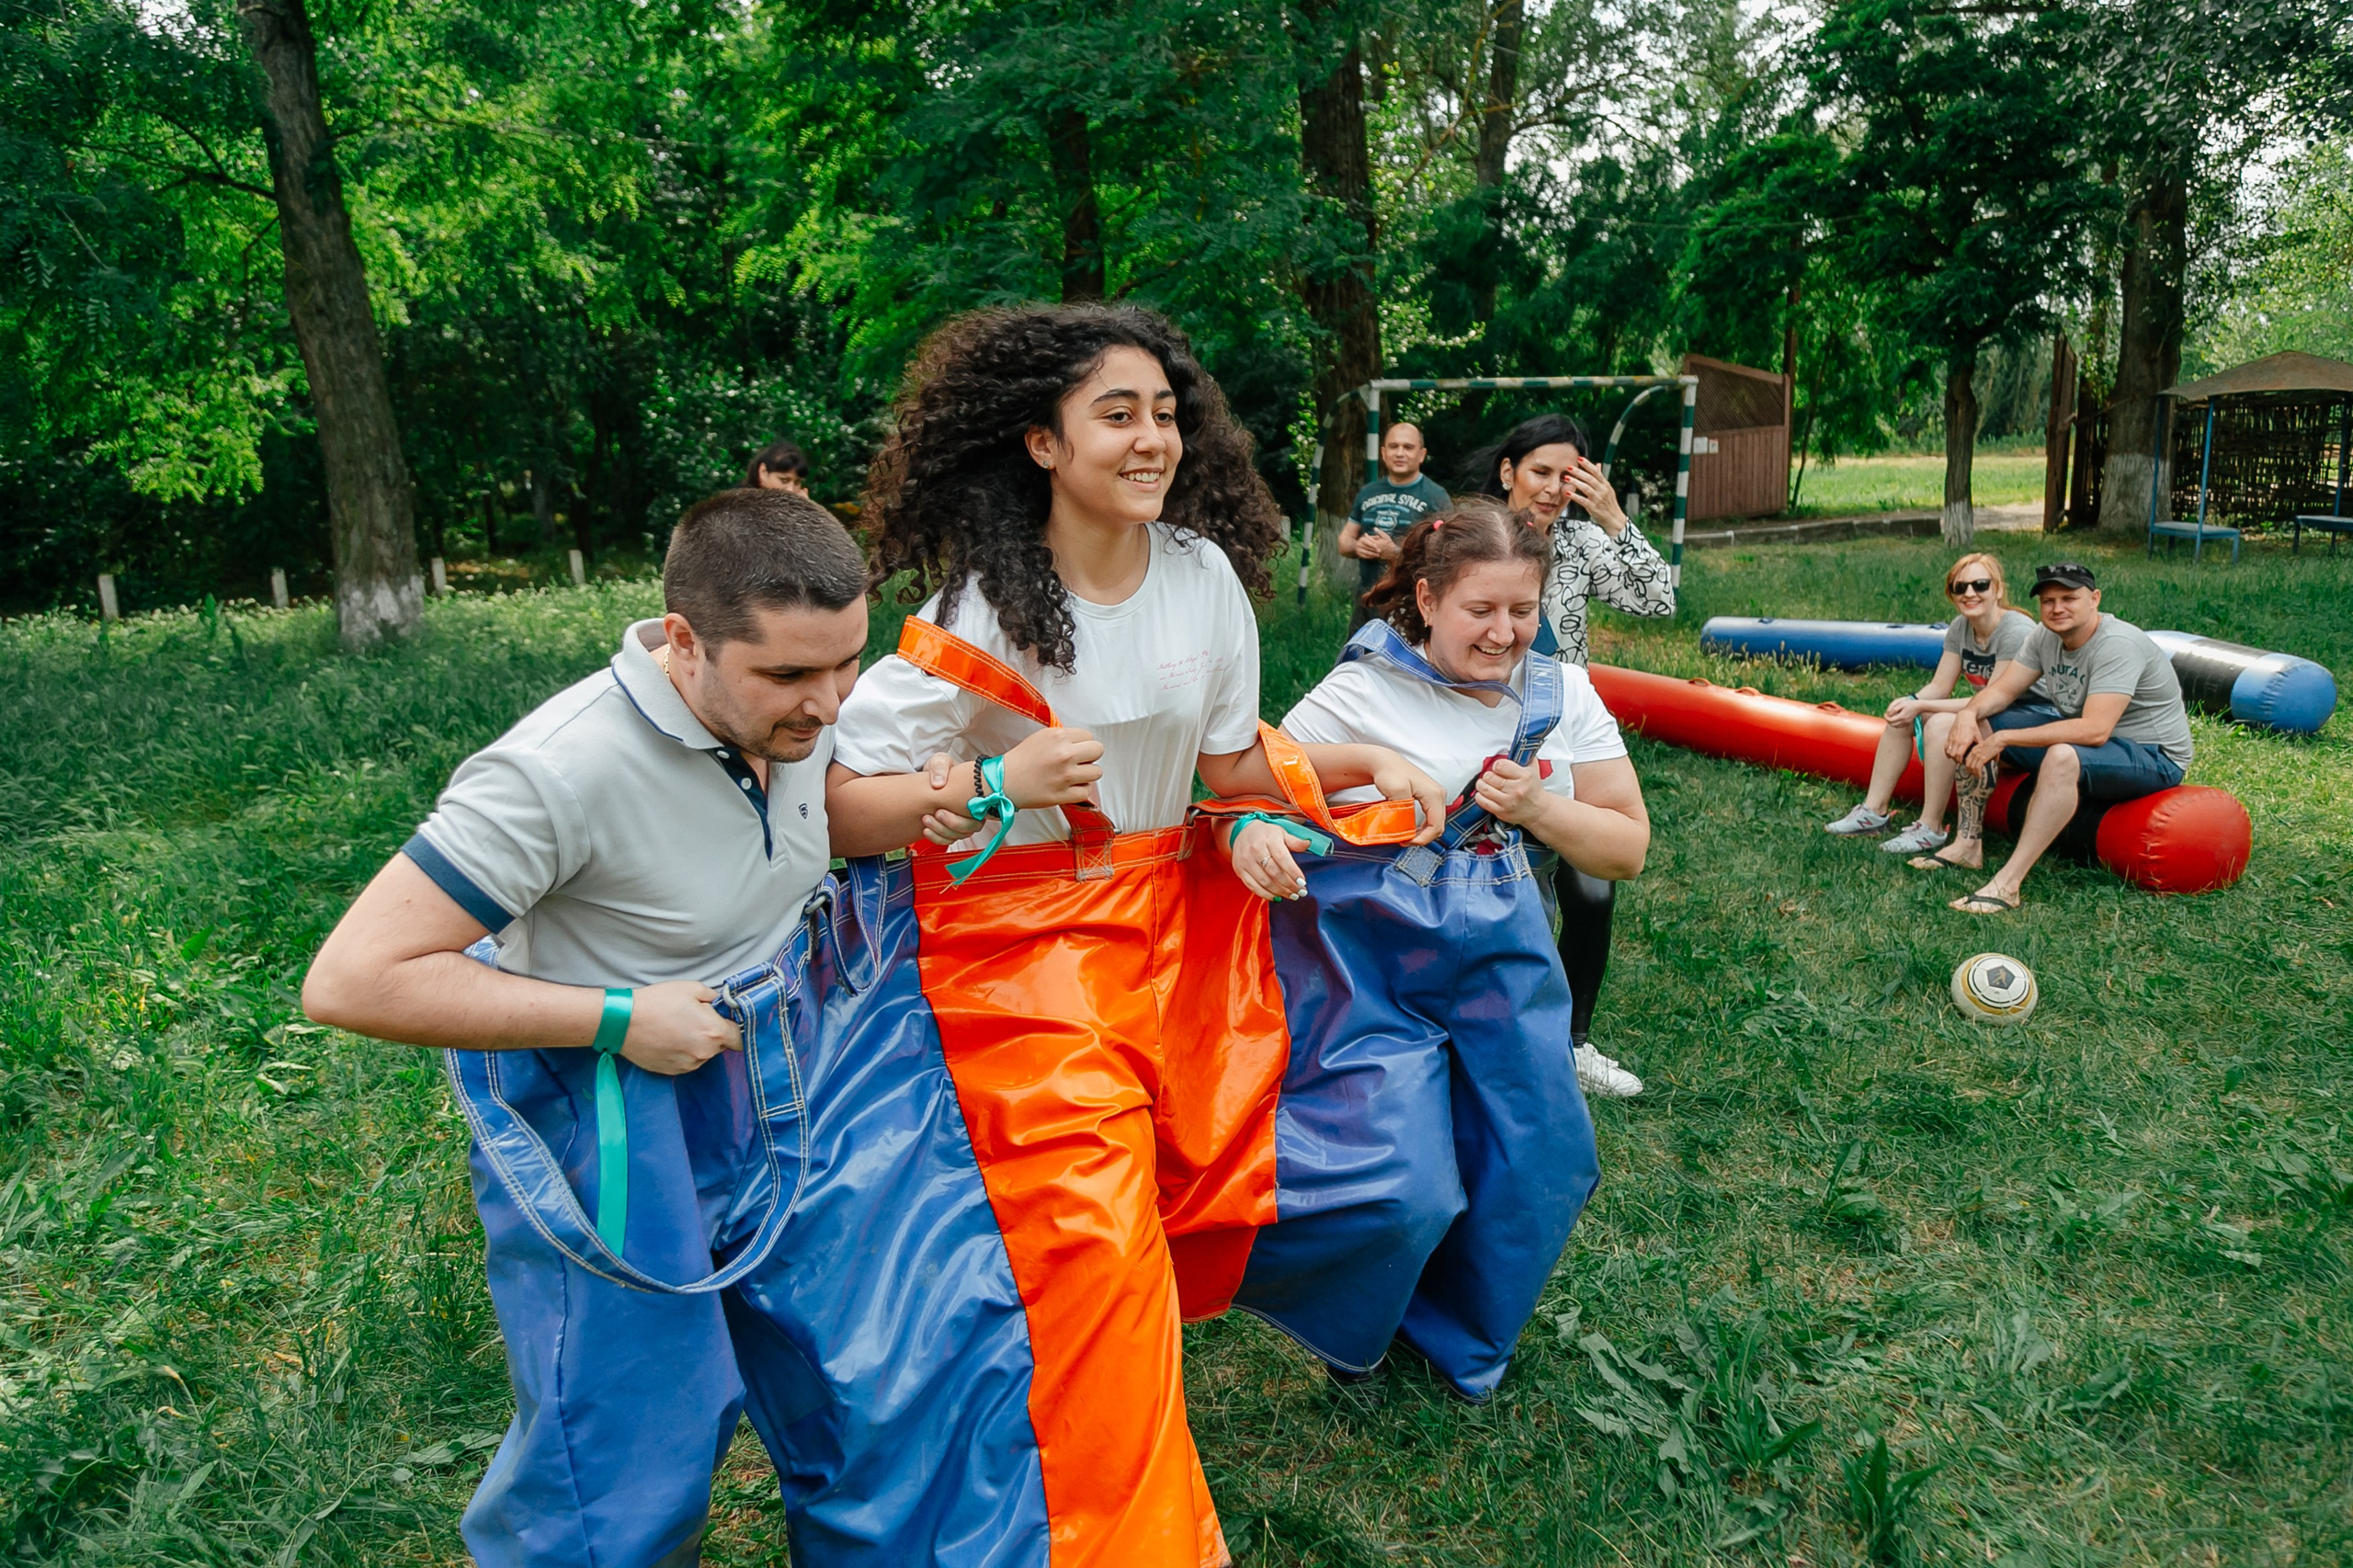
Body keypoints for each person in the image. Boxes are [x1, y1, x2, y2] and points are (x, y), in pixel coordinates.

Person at [809, 303, 1442, 1566]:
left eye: (1165, 411)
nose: (1153, 438)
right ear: (1043, 442)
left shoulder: (1205, 581)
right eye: (1119, 414)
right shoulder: (980, 608)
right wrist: (994, 787)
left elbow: (1224, 771)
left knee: (1379, 1143)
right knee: (1099, 1249)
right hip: (1016, 959)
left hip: (1172, 931)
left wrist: (1359, 768)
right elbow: (835, 811)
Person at [301, 489, 868, 1568]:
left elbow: (809, 815)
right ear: (685, 643)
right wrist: (615, 1018)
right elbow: (352, 977)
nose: (830, 703)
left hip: (776, 1062)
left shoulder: (783, 717)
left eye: (846, 663)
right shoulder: (555, 769)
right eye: (792, 675)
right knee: (627, 1436)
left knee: (844, 1366)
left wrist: (977, 784)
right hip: (613, 1103)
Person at [1226, 497, 1648, 1403]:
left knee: (1542, 1162)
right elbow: (1249, 794)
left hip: (1501, 959)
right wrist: (1249, 835)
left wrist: (1538, 808)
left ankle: (1455, 1338)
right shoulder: (1356, 691)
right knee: (1393, 1182)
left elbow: (1624, 846)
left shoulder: (1562, 693)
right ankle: (1353, 1339)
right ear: (1425, 598)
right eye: (1480, 610)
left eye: (1522, 610)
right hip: (1371, 963)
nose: (1505, 632)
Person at [1469, 413, 1673, 1098]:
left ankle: (1572, 1042)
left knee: (1591, 880)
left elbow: (1659, 598)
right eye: (1541, 472)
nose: (1556, 489)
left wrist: (1614, 515)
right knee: (1493, 884)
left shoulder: (1581, 543)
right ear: (1509, 472)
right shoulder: (1470, 535)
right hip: (1470, 725)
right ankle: (1476, 1034)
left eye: (1570, 475)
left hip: (1560, 731)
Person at [1927, 561, 2195, 914]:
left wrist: (2006, 738)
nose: (2057, 608)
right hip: (2095, 746)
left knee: (2061, 756)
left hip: (2152, 755)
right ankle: (1967, 844)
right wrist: (1967, 713)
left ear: (2094, 599)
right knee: (1981, 724)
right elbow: (2002, 692)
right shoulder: (2043, 636)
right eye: (2048, 601)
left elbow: (2094, 730)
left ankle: (2007, 886)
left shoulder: (2117, 644)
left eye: (2069, 598)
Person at [1822, 552, 2041, 855]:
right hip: (1990, 713)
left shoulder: (2015, 630)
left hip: (2030, 719)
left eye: (1980, 585)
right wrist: (1911, 702)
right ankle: (1874, 811)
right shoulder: (1960, 628)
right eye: (1959, 587)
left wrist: (1923, 708)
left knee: (1939, 722)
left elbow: (1994, 699)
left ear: (1998, 589)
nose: (1969, 593)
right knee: (1904, 715)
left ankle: (1931, 828)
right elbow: (1940, 686)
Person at [1337, 421, 1450, 635]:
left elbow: (1447, 552)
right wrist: (1358, 546)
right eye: (1393, 446)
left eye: (1408, 447)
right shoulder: (1367, 492)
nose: (1400, 453)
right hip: (1368, 596)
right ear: (1383, 452)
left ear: (1422, 454)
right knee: (1358, 662)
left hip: (1409, 598)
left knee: (1400, 665)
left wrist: (1396, 554)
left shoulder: (1436, 496)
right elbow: (1344, 542)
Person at [745, 436, 810, 493]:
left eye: (797, 483)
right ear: (763, 472)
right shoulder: (740, 501)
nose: (791, 490)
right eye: (784, 480)